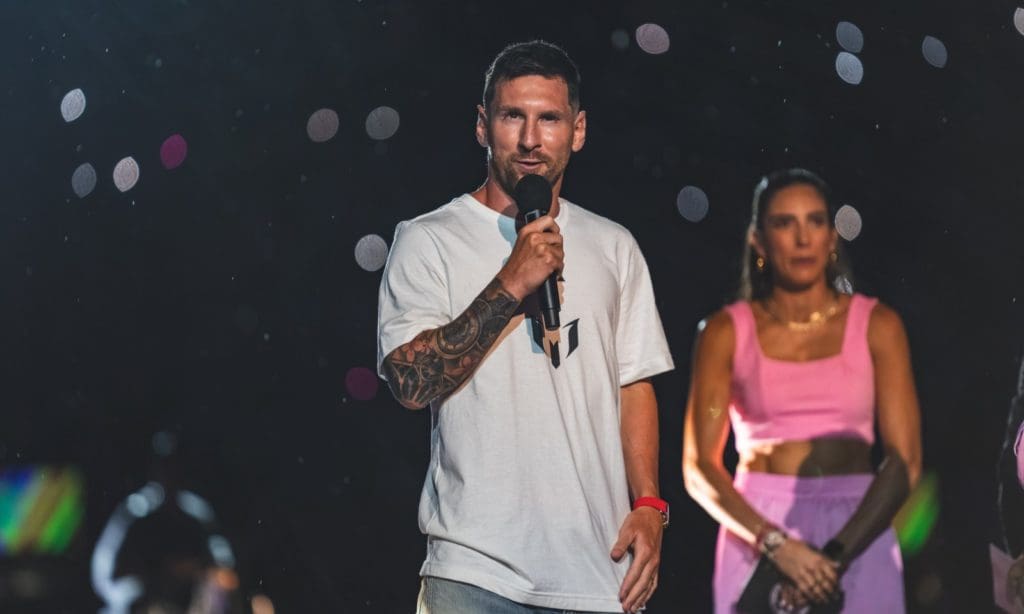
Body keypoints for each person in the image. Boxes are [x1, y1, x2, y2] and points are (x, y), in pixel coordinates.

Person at [376, 40, 674, 614]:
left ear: (578, 129)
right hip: (475, 571)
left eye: (550, 119)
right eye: (513, 116)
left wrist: (650, 506)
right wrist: (512, 284)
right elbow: (410, 385)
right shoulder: (428, 239)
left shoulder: (615, 246)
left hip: (598, 575)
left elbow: (633, 383)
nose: (531, 139)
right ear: (484, 126)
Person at [682, 168, 922, 612]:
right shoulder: (723, 332)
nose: (801, 237)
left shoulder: (879, 325)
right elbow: (698, 468)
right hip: (757, 531)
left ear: (832, 237)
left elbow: (904, 462)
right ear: (758, 239)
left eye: (814, 221)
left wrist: (833, 557)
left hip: (861, 527)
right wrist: (775, 544)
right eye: (784, 223)